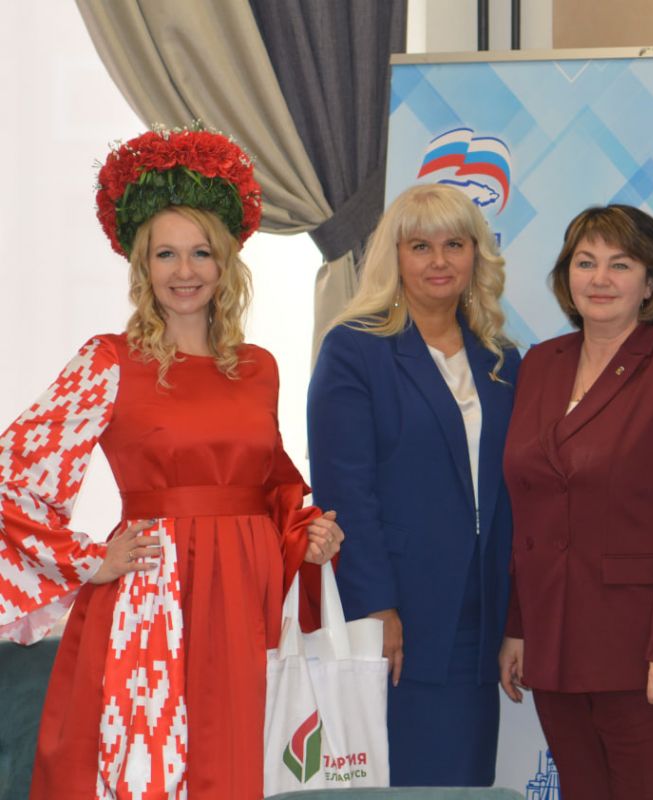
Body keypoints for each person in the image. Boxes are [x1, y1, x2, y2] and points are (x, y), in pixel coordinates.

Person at [0, 126, 343, 798]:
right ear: (143, 266)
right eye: (166, 254)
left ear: (225, 263)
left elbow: (272, 490)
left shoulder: (259, 368)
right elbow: (13, 477)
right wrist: (88, 559)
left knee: (241, 764)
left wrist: (307, 535)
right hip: (154, 598)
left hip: (246, 600)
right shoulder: (108, 361)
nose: (185, 272)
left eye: (200, 252)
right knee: (154, 769)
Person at [499, 205, 653, 800]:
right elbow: (527, 510)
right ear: (566, 276)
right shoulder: (539, 364)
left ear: (650, 283)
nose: (600, 278)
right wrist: (518, 628)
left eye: (620, 265)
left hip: (644, 649)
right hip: (553, 638)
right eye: (586, 262)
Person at [307, 182, 520, 787]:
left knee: (466, 780)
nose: (439, 261)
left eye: (455, 244)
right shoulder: (354, 349)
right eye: (420, 246)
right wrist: (376, 608)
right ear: (393, 256)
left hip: (481, 617)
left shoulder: (500, 359)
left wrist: (517, 618)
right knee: (403, 778)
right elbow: (346, 491)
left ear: (476, 254)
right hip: (400, 613)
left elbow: (515, 493)